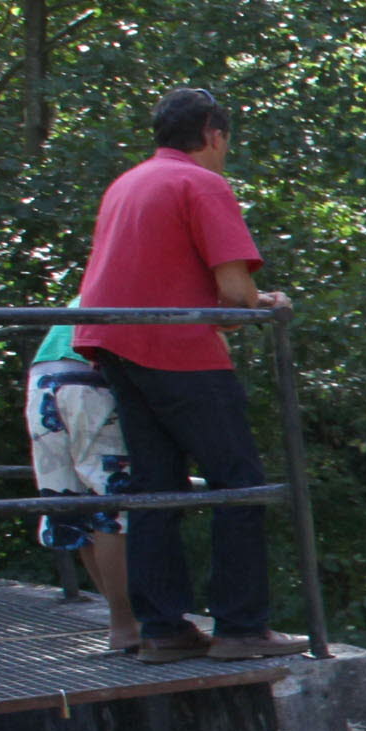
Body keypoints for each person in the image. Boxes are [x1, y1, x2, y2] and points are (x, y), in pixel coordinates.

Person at [72, 87, 298, 663]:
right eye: (226, 141)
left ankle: (162, 629)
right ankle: (241, 627)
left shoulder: (127, 182)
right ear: (213, 134)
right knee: (239, 482)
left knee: (155, 488)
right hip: (175, 347)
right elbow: (233, 292)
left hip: (111, 344)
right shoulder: (200, 182)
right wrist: (264, 302)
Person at [21, 324, 133, 651]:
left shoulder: (96, 283)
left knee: (76, 503)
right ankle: (127, 624)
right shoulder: (162, 278)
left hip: (42, 380)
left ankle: (121, 620)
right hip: (89, 378)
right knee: (114, 509)